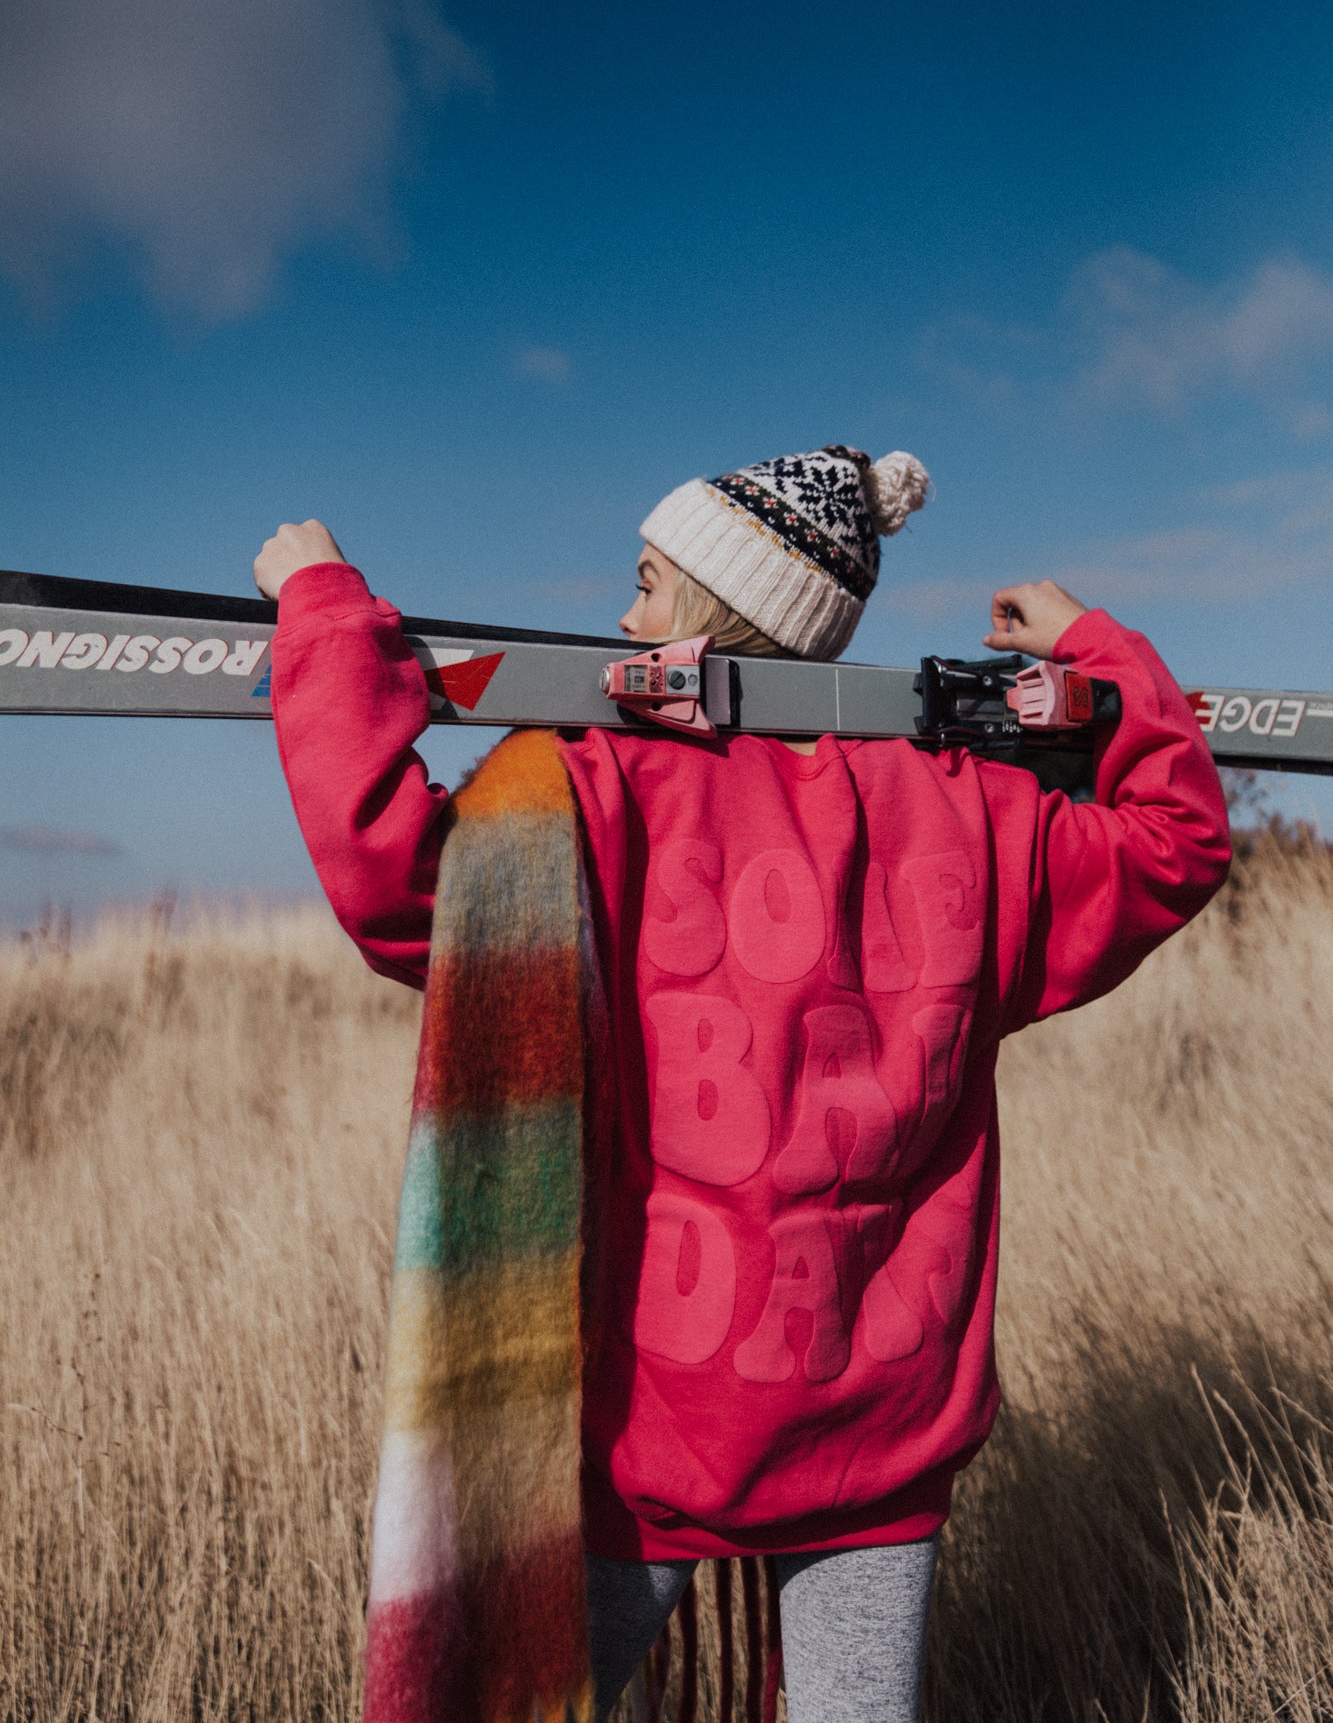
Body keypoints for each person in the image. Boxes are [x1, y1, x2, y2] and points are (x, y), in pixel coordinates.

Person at [255, 444, 1231, 1723]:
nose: (623, 620)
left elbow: (400, 877)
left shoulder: (603, 785)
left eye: (649, 586)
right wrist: (1101, 650)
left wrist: (324, 612)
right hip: (889, 1422)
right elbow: (1178, 842)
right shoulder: (982, 813)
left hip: (655, 1433)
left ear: (723, 614)